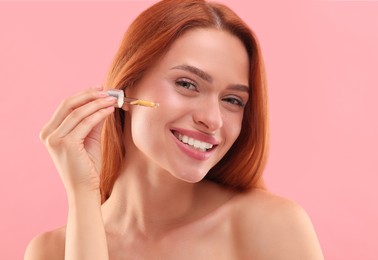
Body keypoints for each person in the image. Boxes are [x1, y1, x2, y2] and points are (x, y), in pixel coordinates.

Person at [25, 0, 324, 259]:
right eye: (187, 84)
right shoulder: (50, 252)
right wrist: (82, 196)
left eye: (232, 100)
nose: (213, 119)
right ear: (127, 86)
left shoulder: (271, 226)